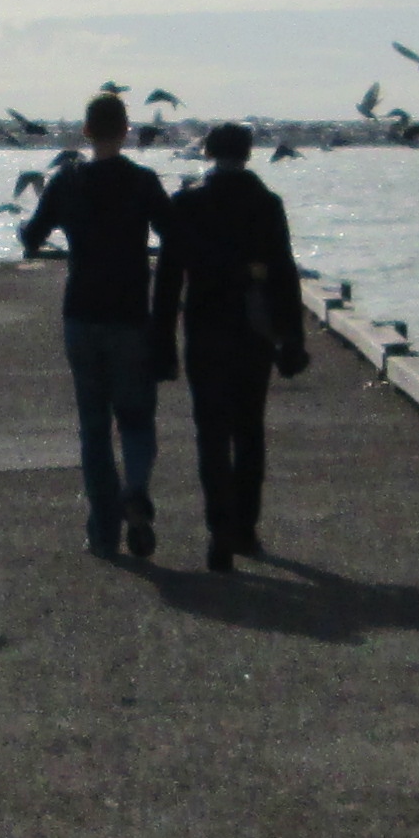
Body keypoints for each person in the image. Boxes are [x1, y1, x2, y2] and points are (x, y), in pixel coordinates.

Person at [19, 93, 173, 557]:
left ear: (86, 132)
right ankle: (136, 491)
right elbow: (175, 235)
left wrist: (28, 233)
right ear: (126, 131)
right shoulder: (143, 182)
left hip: (82, 314)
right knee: (137, 419)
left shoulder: (66, 180)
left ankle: (104, 533)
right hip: (130, 316)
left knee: (94, 427)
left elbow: (33, 236)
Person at [152, 122, 304, 572]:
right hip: (254, 331)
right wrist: (293, 339)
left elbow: (168, 278)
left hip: (204, 329)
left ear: (207, 152)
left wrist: (162, 341)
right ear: (249, 154)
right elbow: (284, 273)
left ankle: (218, 530)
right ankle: (246, 528)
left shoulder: (187, 203)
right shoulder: (266, 203)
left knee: (212, 433)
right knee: (249, 429)